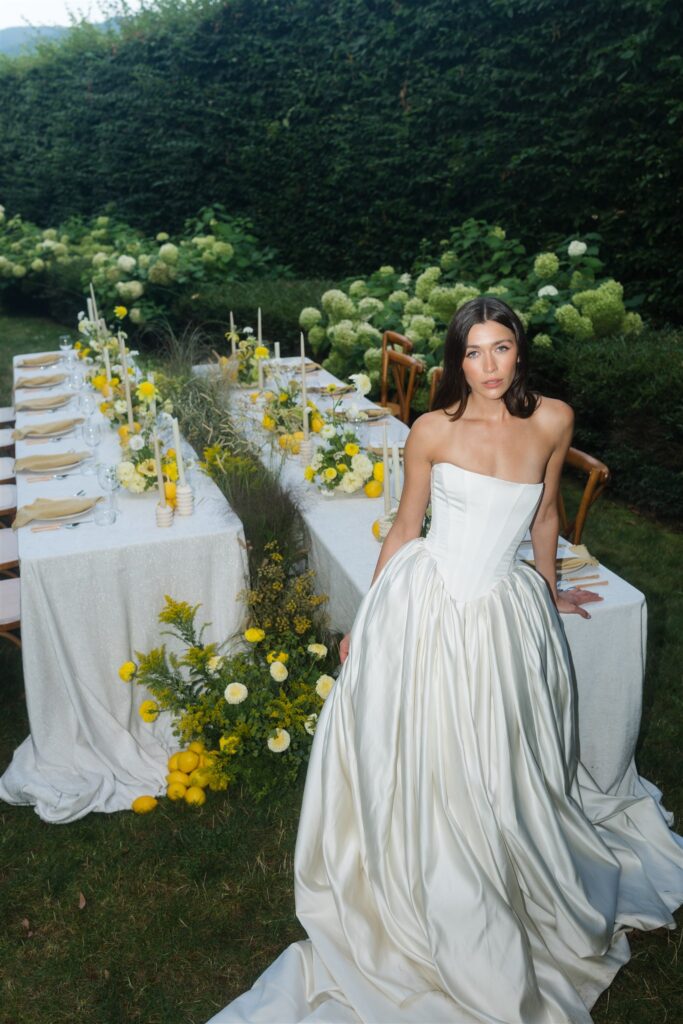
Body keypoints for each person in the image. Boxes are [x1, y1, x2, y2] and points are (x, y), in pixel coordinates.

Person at [209, 297, 683, 1024]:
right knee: (426, 747)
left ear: (518, 351)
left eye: (500, 349)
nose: (487, 366)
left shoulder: (553, 420)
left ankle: (505, 860)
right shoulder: (431, 429)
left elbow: (548, 513)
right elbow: (405, 528)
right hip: (425, 601)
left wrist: (547, 591)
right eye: (473, 352)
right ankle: (421, 870)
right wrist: (365, 620)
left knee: (502, 753)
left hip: (504, 605)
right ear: (455, 360)